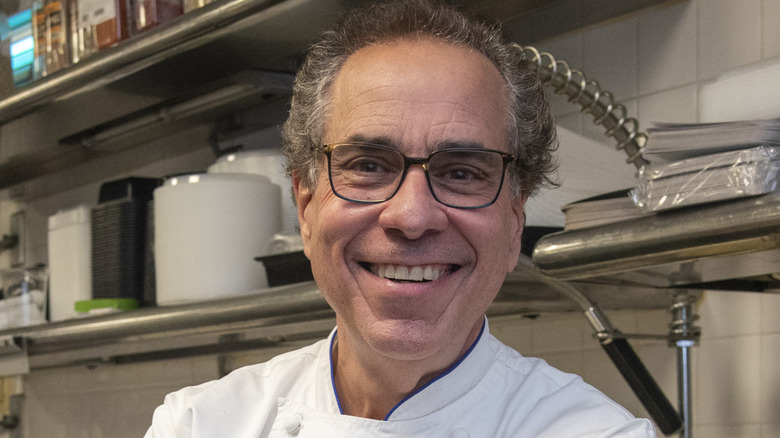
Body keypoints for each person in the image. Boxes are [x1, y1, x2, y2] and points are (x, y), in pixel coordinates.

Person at [145, 0, 657, 436]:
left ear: (515, 221)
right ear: (305, 206)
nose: (413, 216)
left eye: (461, 172)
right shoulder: (200, 424)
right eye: (367, 166)